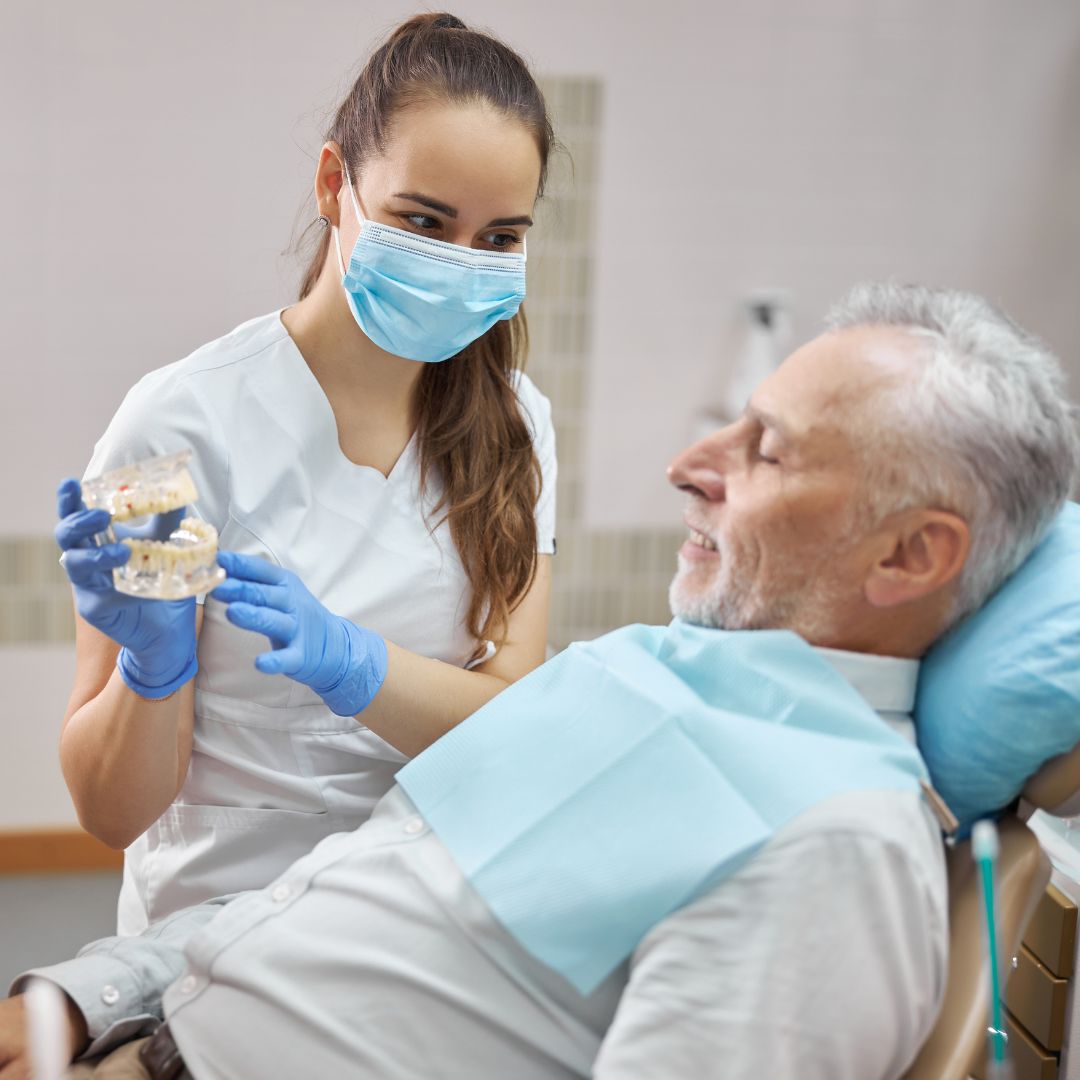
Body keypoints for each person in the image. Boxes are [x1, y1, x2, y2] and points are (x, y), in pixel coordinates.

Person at [9, 283, 1077, 1079]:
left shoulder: (829, 838)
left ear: (908, 557)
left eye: (768, 452)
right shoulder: (643, 672)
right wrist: (84, 996)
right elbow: (337, 899)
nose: (689, 464)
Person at [51, 13, 559, 936]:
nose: (458, 262)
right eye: (423, 221)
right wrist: (149, 674)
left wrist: (358, 668)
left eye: (499, 239)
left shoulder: (516, 425)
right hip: (209, 938)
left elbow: (515, 726)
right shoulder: (175, 427)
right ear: (335, 184)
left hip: (428, 922)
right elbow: (110, 814)